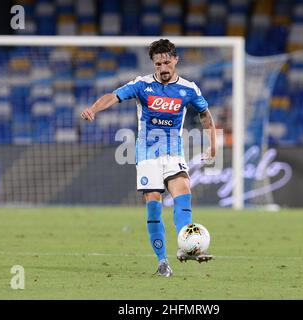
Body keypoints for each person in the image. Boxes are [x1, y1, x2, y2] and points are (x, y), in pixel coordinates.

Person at [81, 39, 216, 277]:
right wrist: (93, 109)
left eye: (166, 62)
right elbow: (113, 96)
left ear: (175, 60)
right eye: (158, 64)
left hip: (174, 153)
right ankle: (162, 261)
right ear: (153, 64)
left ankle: (187, 248)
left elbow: (205, 115)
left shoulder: (188, 89)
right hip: (147, 154)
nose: (163, 68)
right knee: (154, 204)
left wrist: (213, 146)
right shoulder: (142, 85)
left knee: (183, 193)